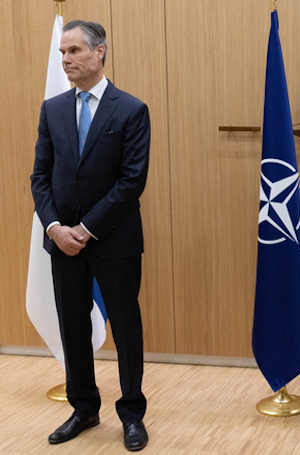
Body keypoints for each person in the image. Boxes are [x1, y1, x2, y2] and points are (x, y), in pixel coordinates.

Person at [30, 20, 150, 452]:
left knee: (125, 326)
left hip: (114, 240)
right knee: (73, 326)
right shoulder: (54, 108)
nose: (66, 60)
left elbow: (131, 181)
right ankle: (84, 408)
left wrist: (86, 227)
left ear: (100, 52)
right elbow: (40, 175)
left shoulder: (131, 109)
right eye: (62, 52)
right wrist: (55, 227)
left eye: (75, 51)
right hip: (61, 241)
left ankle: (132, 412)